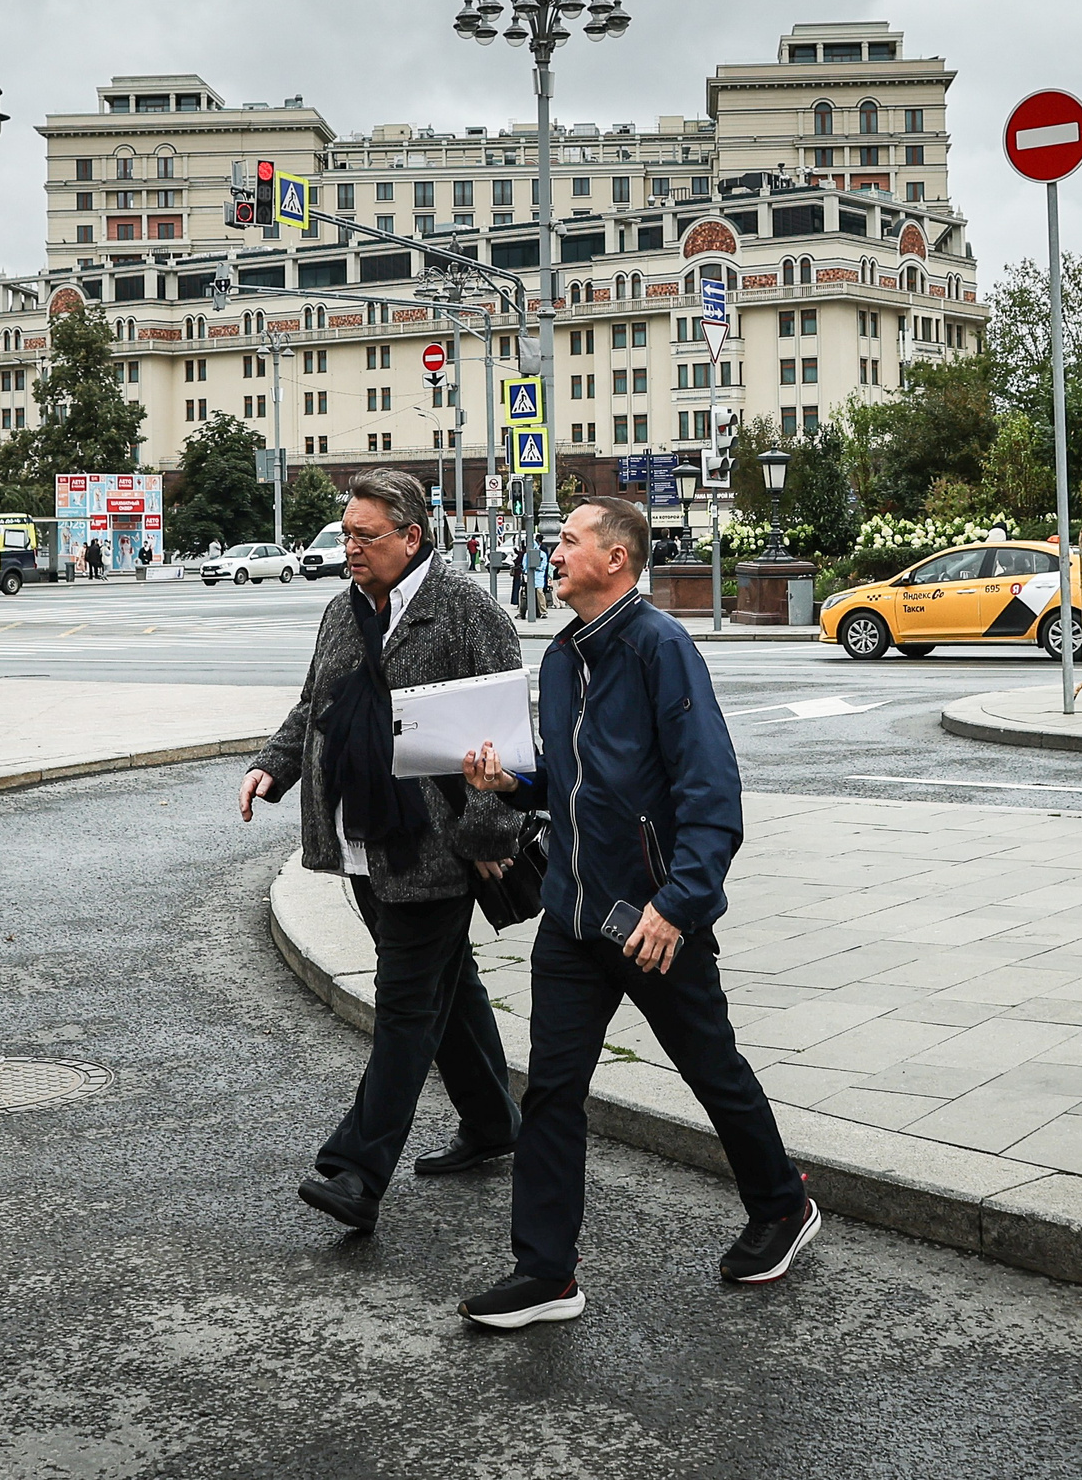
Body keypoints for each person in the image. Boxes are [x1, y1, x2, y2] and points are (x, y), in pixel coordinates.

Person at [455, 496, 815, 1330]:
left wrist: (677, 905)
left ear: (615, 558)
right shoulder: (562, 656)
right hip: (573, 918)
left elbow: (712, 793)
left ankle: (782, 1205)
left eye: (568, 541)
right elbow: (572, 778)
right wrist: (514, 782)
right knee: (551, 1091)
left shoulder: (661, 648)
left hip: (651, 919)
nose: (553, 553)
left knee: (711, 1069)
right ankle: (546, 1273)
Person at [239, 468, 528, 1235]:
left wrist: (488, 835)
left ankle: (357, 1172)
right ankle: (494, 1122)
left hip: (437, 850)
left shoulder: (466, 612)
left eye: (366, 535)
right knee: (446, 990)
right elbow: (315, 704)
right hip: (361, 843)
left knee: (404, 1007)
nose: (351, 547)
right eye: (347, 533)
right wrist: (272, 766)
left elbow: (504, 737)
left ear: (412, 536)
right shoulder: (342, 609)